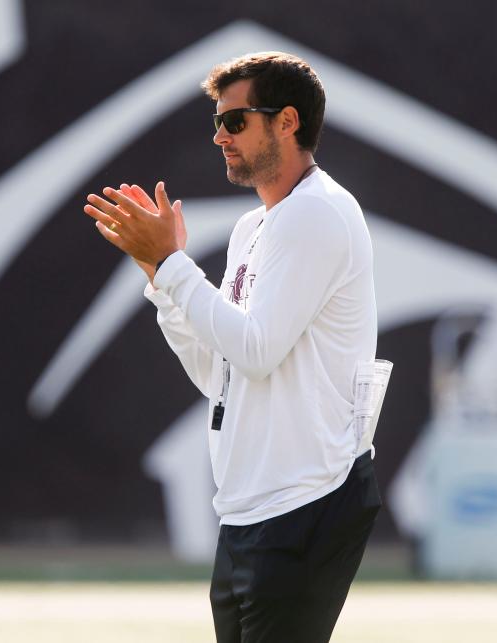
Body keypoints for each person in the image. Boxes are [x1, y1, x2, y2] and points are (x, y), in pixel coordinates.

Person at [83, 51, 381, 643]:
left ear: (287, 122)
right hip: (251, 505)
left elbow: (255, 350)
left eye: (235, 120)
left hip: (307, 496)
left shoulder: (316, 213)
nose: (219, 136)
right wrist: (161, 281)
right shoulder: (256, 228)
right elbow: (222, 375)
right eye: (217, 122)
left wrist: (173, 265)